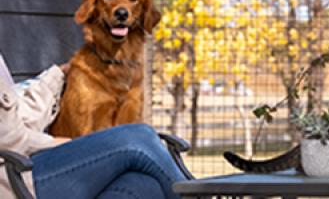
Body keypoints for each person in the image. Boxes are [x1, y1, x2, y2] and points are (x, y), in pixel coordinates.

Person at [0, 54, 188, 199]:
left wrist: (57, 75)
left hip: (23, 170)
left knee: (143, 186)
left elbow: (16, 116)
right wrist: (57, 143)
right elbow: (10, 142)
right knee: (137, 138)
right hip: (14, 181)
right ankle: (197, 195)